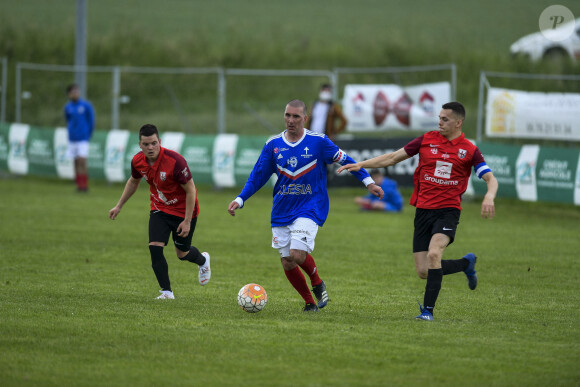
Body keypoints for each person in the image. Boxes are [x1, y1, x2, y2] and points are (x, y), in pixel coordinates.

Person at [338, 102, 498, 321]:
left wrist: (489, 195)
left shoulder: (469, 150)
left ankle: (427, 312)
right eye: (439, 118)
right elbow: (393, 158)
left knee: (434, 254)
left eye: (445, 119)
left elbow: (490, 178)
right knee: (424, 271)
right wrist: (361, 164)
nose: (439, 122)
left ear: (458, 123)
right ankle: (465, 264)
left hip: (448, 212)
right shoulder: (426, 139)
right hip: (423, 211)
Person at [228, 99, 384, 312]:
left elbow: (345, 159)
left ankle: (317, 282)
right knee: (287, 262)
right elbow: (257, 176)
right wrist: (240, 198)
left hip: (310, 205)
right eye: (287, 115)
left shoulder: (318, 142)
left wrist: (368, 182)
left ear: (305, 118)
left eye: (296, 116)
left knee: (297, 254)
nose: (290, 120)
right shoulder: (273, 145)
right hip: (282, 208)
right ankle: (310, 302)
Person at [108, 124, 211, 299]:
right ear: (140, 144)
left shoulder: (175, 161)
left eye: (154, 143)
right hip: (159, 209)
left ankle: (203, 261)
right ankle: (167, 292)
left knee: (182, 253)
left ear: (159, 142)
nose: (150, 148)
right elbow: (134, 182)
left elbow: (191, 190)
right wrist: (119, 205)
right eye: (146, 144)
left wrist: (186, 221)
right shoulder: (137, 161)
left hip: (183, 212)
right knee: (155, 247)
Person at [64, 83, 95, 192]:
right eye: (73, 92)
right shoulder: (68, 107)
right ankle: (78, 185)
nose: (75, 93)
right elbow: (68, 120)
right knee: (75, 161)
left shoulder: (86, 105)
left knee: (82, 160)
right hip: (72, 138)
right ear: (69, 94)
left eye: (77, 91)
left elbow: (91, 121)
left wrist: (88, 134)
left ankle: (84, 185)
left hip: (83, 138)